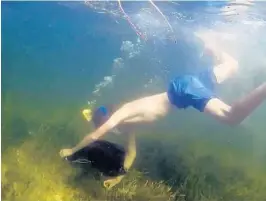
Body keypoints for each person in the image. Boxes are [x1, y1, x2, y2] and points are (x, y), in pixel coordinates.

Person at [60, 31, 266, 170]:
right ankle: (210, 43)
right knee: (232, 64)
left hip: (183, 92)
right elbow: (131, 153)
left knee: (231, 117)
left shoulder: (121, 114)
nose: (108, 129)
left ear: (107, 119)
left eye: (105, 124)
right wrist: (119, 176)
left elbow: (95, 136)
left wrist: (72, 150)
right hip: (184, 87)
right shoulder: (127, 125)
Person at [65, 106, 137, 189]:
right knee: (87, 148)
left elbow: (131, 153)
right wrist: (72, 150)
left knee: (95, 148)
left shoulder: (127, 127)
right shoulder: (99, 120)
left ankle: (89, 170)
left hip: (112, 153)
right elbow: (92, 136)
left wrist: (117, 179)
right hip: (100, 146)